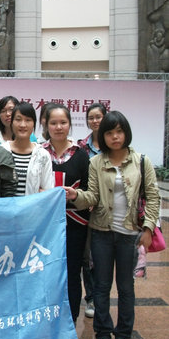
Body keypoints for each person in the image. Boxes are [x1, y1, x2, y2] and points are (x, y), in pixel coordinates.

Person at [64, 111, 160, 339]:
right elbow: (92, 196)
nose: (115, 137)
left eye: (119, 131)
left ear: (126, 133)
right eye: (109, 133)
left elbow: (153, 196)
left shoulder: (141, 161)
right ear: (103, 136)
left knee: (126, 288)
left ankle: (123, 337)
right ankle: (103, 335)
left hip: (130, 234)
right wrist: (76, 195)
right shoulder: (96, 162)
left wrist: (148, 228)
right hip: (101, 233)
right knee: (101, 287)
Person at [42, 104, 90, 339]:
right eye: (53, 123)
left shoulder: (81, 155)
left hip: (74, 226)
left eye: (63, 122)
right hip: (44, 228)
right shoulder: (39, 153)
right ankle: (45, 325)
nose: (58, 127)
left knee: (71, 275)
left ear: (70, 124)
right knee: (45, 274)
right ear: (45, 125)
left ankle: (67, 326)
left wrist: (75, 196)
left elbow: (90, 193)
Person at [77, 102, 107, 318]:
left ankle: (101, 296)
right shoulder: (81, 147)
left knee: (102, 257)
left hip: (106, 209)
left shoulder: (112, 145)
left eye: (98, 117)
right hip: (85, 207)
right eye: (91, 117)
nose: (95, 121)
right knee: (87, 257)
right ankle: (91, 298)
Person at [1, 102, 54, 195]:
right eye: (18, 119)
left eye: (28, 120)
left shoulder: (42, 155)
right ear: (12, 123)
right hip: (5, 204)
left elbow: (48, 191)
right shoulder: (1, 151)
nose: (23, 125)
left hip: (33, 205)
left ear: (34, 124)